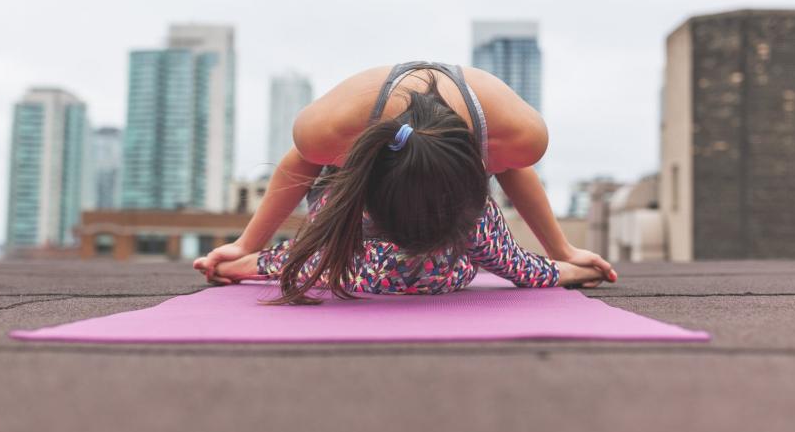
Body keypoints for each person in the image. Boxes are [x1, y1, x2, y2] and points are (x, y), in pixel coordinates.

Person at [193, 61, 617, 304]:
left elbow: (512, 181)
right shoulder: (328, 128)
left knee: (429, 270)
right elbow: (299, 165)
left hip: (455, 207)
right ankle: (276, 261)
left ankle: (280, 262)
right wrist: (246, 245)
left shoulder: (517, 133)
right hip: (349, 197)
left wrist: (562, 257)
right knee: (405, 271)